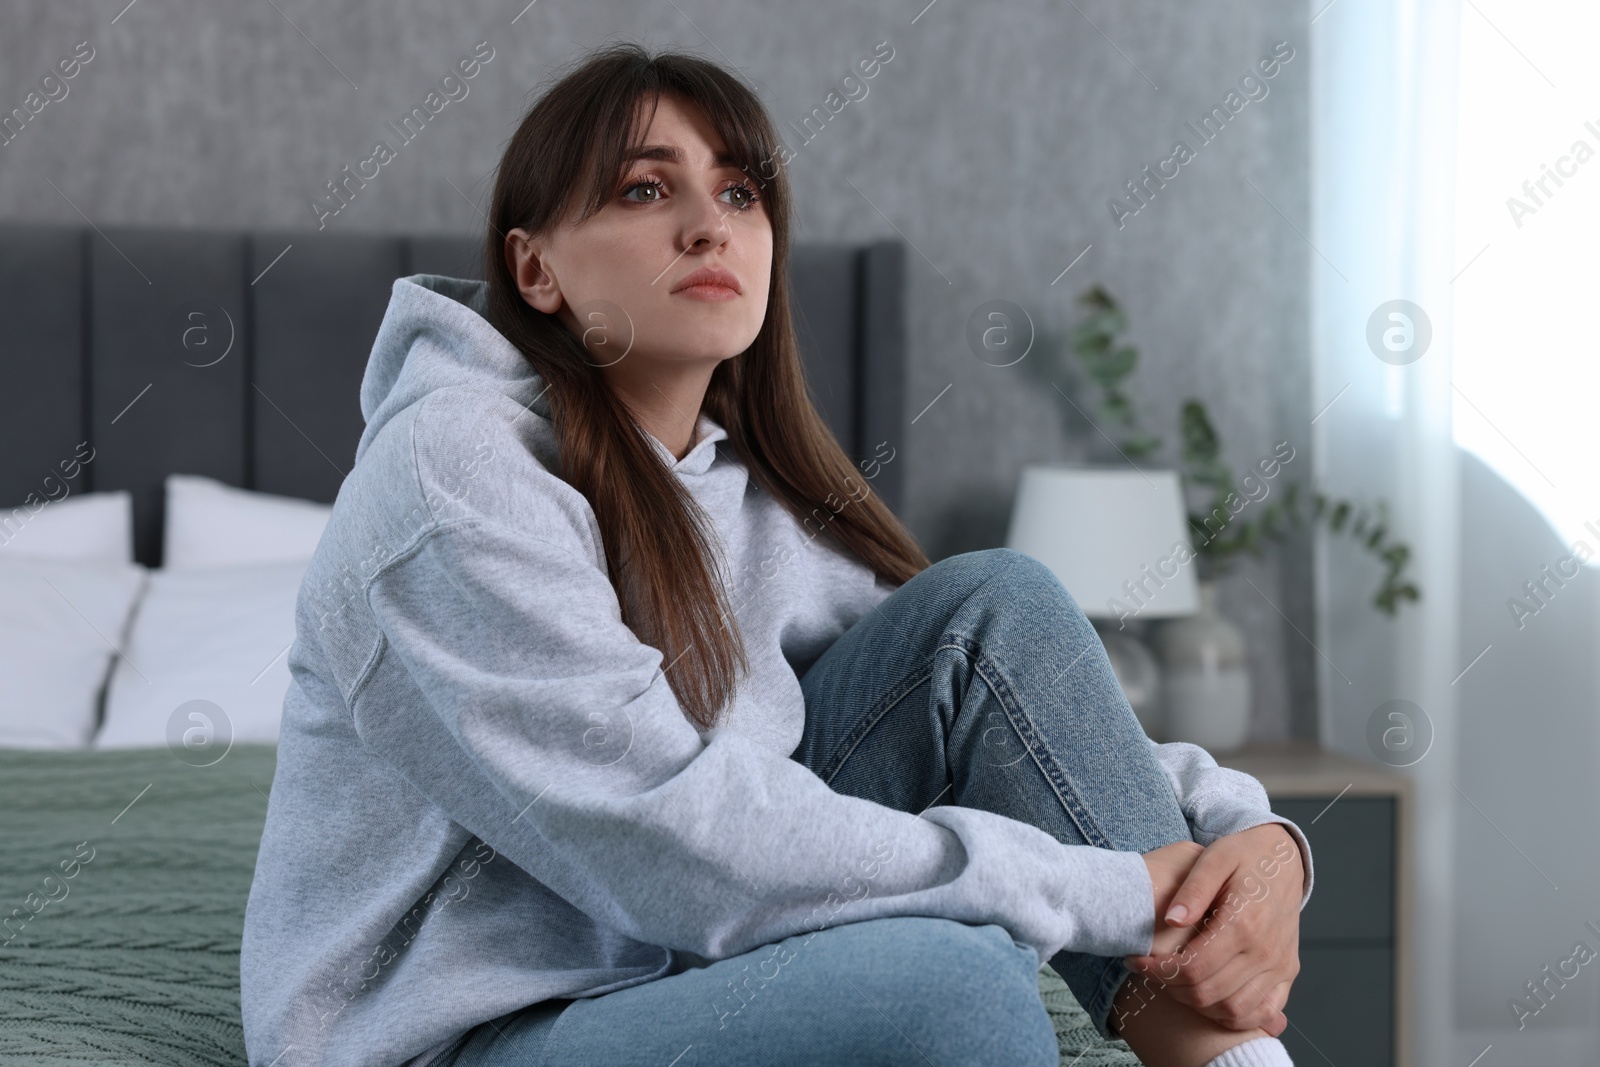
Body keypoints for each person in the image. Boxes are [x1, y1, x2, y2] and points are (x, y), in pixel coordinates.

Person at [240, 41, 1313, 1067]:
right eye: (646, 190)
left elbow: (1031, 717)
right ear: (534, 268)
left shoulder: (748, 488)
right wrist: (1110, 887)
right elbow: (661, 833)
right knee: (952, 983)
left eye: (742, 193)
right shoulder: (453, 470)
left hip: (675, 958)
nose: (711, 225)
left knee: (994, 603)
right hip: (480, 1032)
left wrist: (1251, 840)